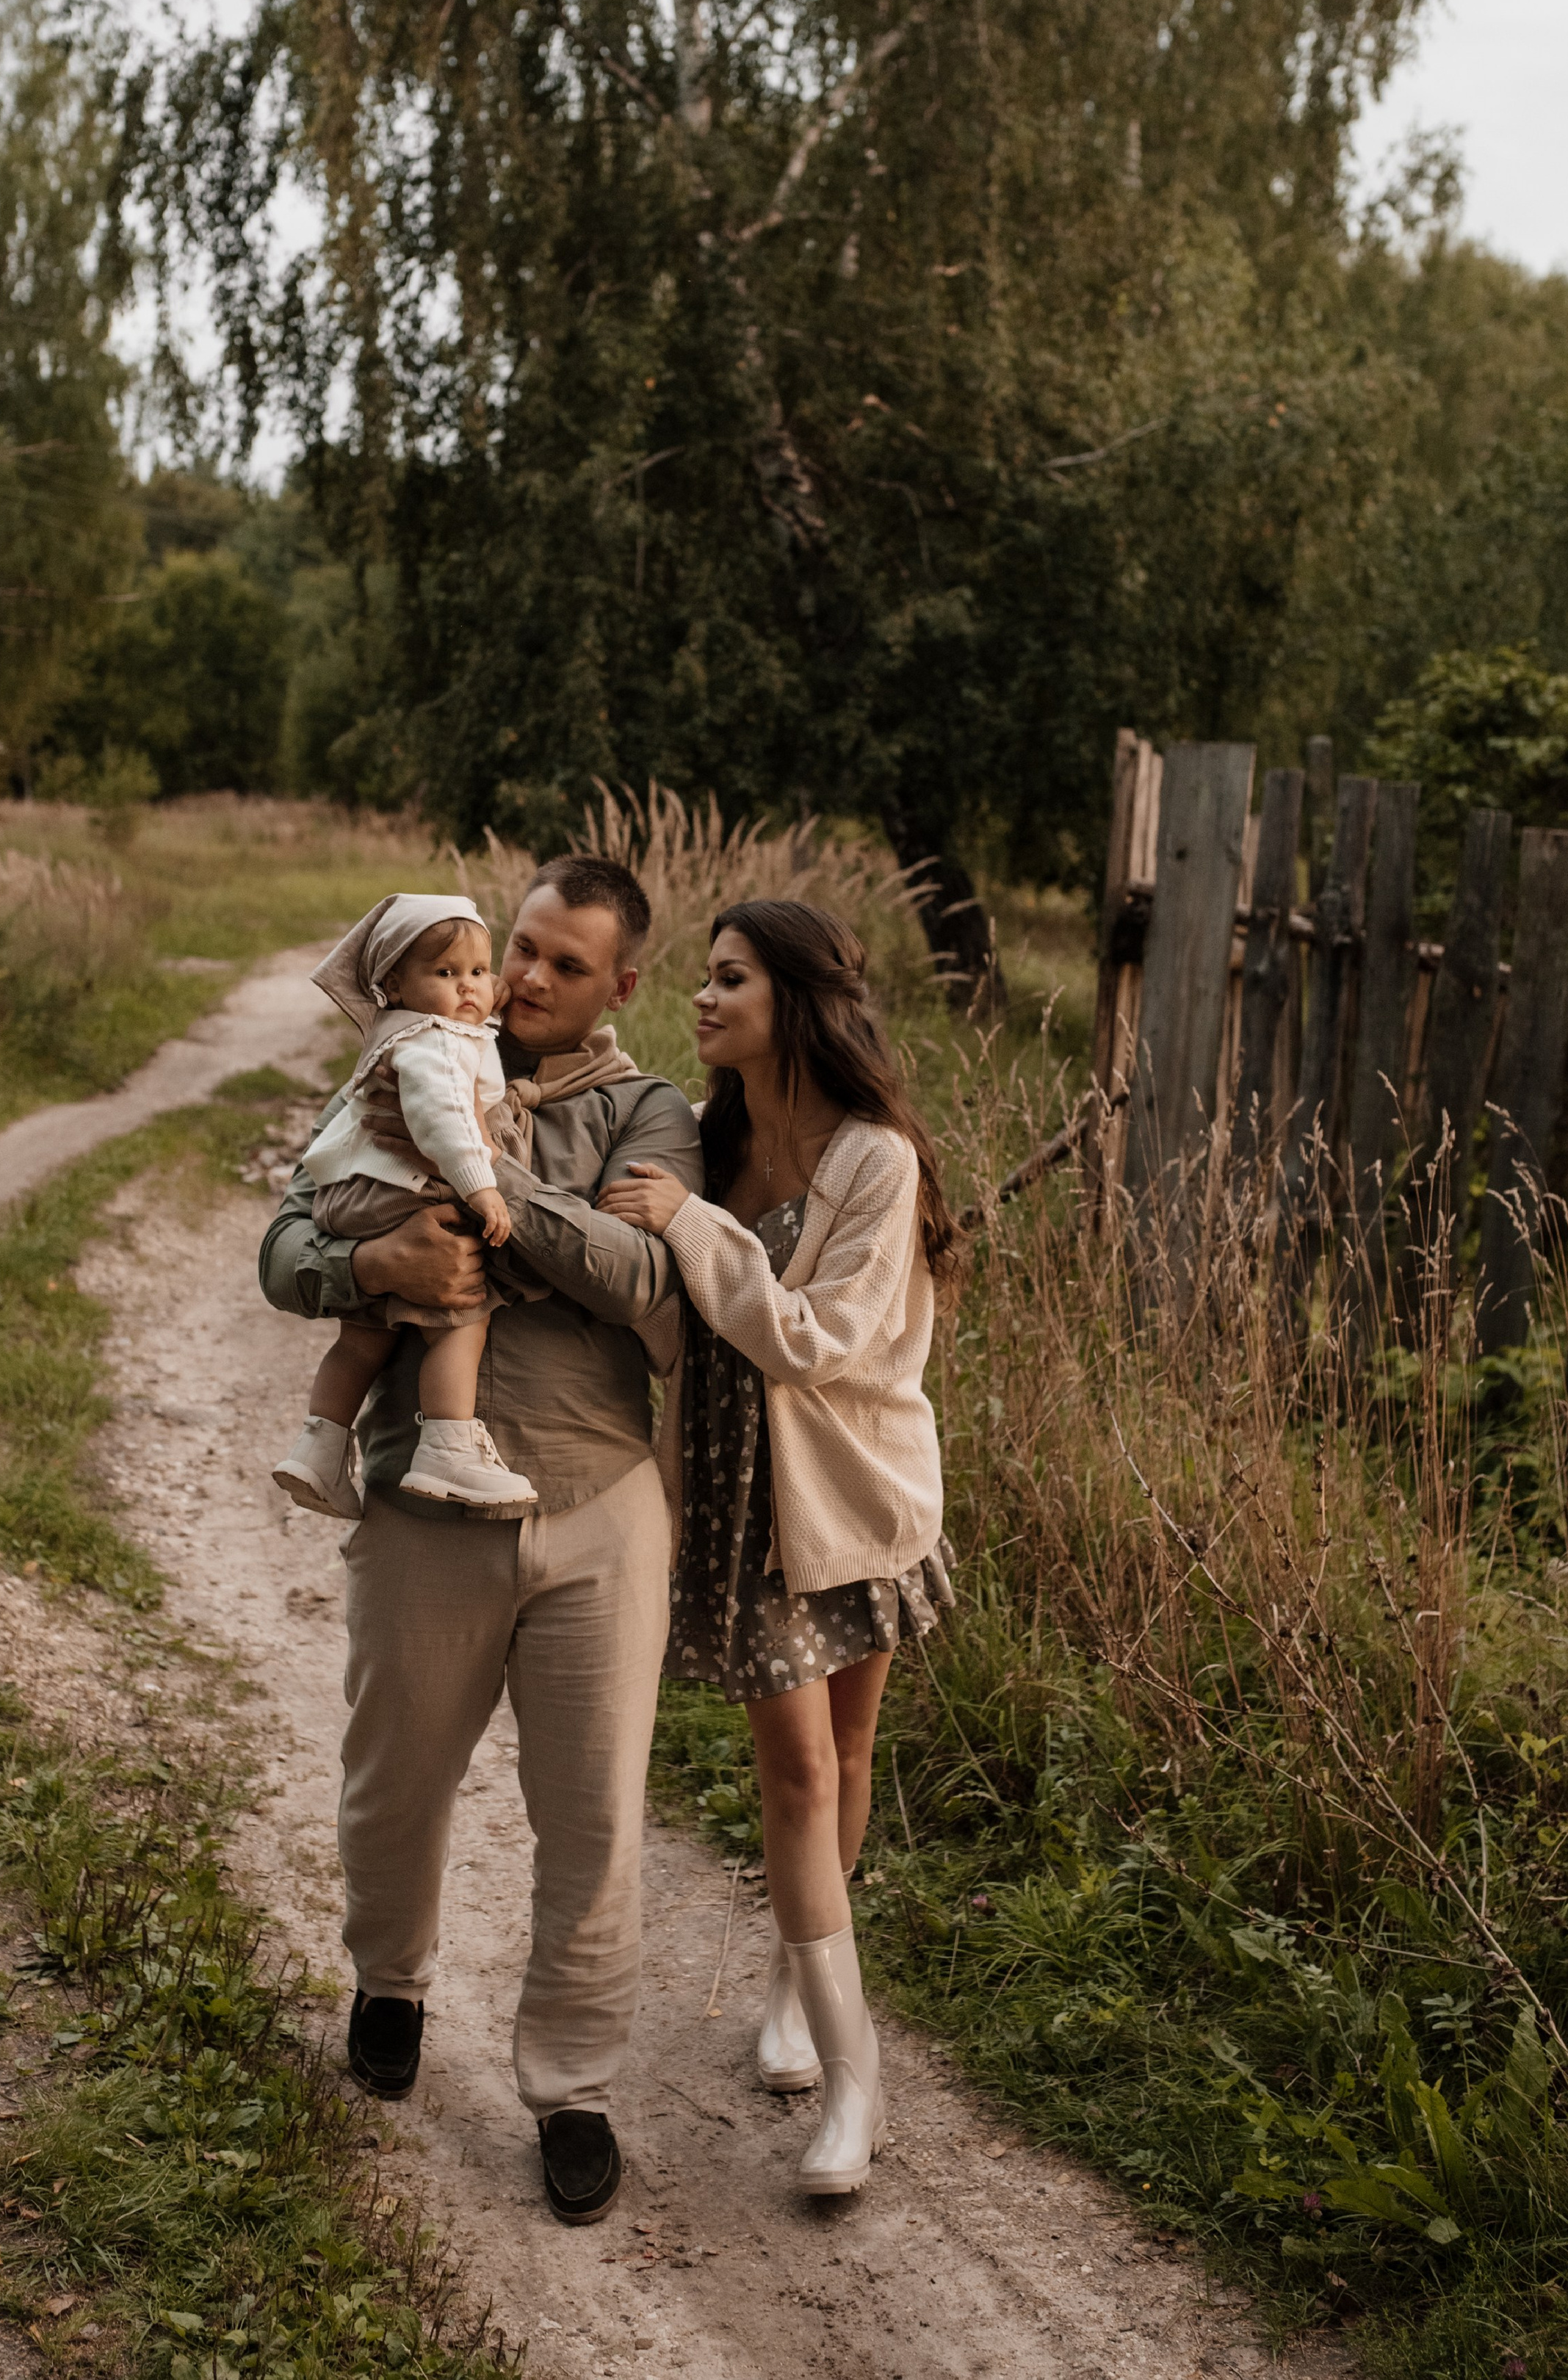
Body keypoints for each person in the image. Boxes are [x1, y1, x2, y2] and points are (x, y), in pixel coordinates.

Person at [258, 855, 703, 2227]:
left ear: (622, 985)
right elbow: (287, 1236)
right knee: (394, 1780)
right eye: (521, 947)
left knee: (594, 1819)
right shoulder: (412, 1051)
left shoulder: (648, 1111)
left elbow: (644, 1277)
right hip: (421, 1502)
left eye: (568, 964)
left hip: (599, 1506)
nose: (528, 978)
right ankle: (390, 1982)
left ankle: (571, 2087)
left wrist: (491, 1182)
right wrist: (372, 1266)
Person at [599, 897, 958, 2197]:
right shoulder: (707, 1139)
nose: (702, 997)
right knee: (800, 1769)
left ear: (795, 1001)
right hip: (741, 1506)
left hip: (854, 1496)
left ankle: (797, 1986)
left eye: (731, 977)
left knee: (848, 1755)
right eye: (705, 976)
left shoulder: (876, 1159)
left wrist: (691, 1227)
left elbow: (814, 1343)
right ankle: (860, 2083)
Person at [272, 892, 535, 1521]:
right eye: (446, 972)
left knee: (364, 1335)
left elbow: (476, 1000)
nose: (469, 987)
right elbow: (447, 1120)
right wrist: (482, 1186)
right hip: (402, 1190)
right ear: (393, 985)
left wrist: (481, 987)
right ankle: (447, 1447)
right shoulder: (437, 1040)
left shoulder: (404, 1029)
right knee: (463, 1315)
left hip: (355, 1194)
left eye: (479, 971)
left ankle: (319, 1447)